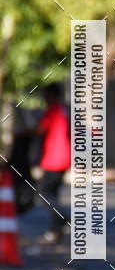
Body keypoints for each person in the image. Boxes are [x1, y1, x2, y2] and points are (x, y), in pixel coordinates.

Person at [36, 83, 70, 243]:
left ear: (52, 95)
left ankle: (63, 219)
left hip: (54, 159)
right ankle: (56, 230)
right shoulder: (64, 110)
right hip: (64, 157)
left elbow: (39, 129)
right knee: (53, 194)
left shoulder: (53, 111)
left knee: (44, 193)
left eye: (46, 94)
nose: (44, 98)